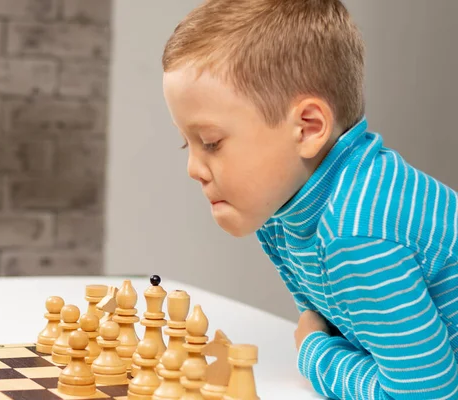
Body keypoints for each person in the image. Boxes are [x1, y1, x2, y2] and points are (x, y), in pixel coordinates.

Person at [161, 0, 458, 398]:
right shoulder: (286, 215)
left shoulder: (358, 230)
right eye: (188, 144)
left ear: (308, 128)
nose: (193, 169)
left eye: (211, 142)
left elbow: (426, 395)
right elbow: (342, 331)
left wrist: (314, 354)